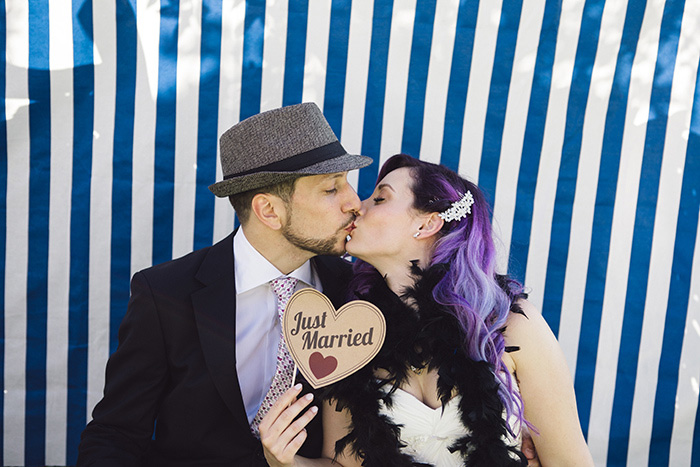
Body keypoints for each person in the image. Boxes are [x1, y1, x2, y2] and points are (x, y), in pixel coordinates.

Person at [76, 102, 373, 466]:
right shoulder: (165, 294)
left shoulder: (353, 291)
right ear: (269, 211)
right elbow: (115, 434)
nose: (355, 203)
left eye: (348, 184)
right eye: (331, 189)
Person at [260, 154, 592, 466]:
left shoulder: (510, 325)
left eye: (379, 199)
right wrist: (284, 462)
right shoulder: (350, 333)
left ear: (427, 224)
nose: (357, 208)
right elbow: (345, 464)